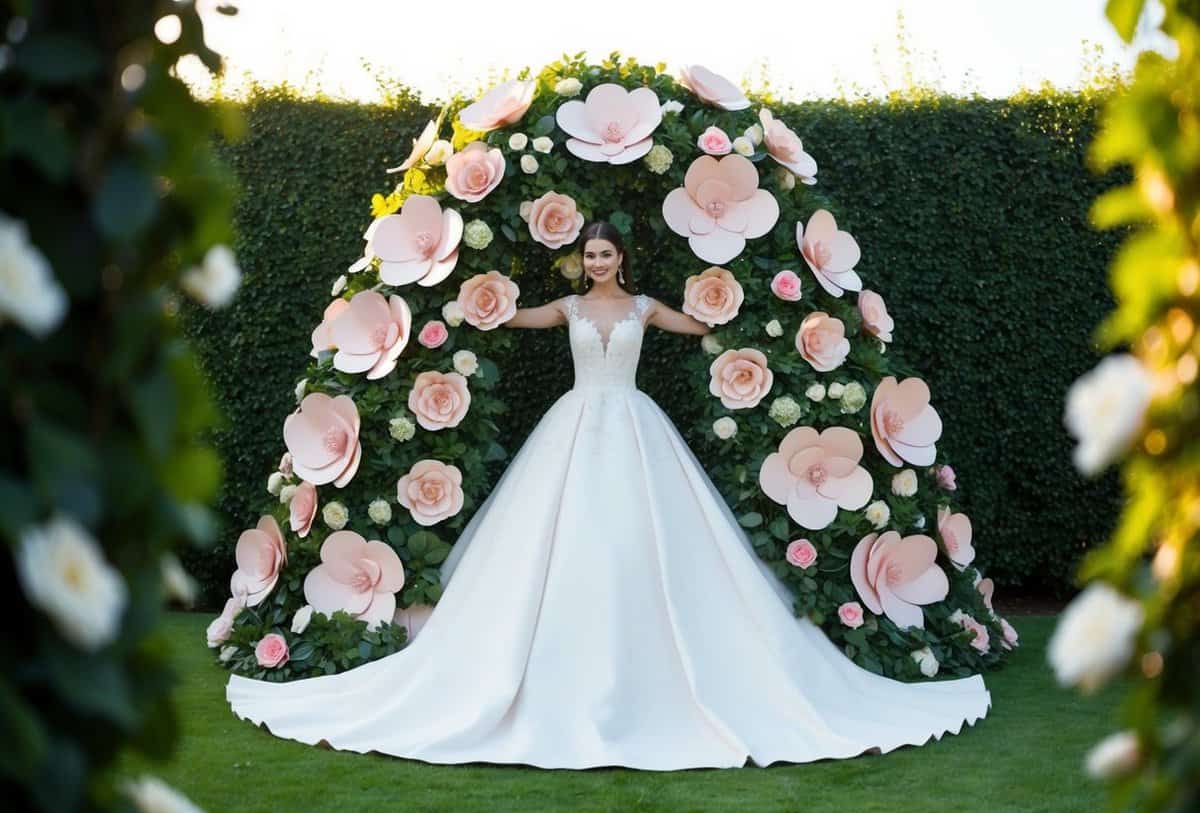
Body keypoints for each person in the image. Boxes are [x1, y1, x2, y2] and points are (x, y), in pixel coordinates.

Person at [226, 221, 991, 770]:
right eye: (588, 253)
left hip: (633, 424)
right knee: (556, 543)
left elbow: (704, 324)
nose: (596, 261)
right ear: (580, 259)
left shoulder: (640, 307)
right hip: (572, 426)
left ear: (620, 258)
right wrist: (476, 295)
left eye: (606, 252)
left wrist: (737, 300)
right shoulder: (565, 307)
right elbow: (510, 316)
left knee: (642, 541)